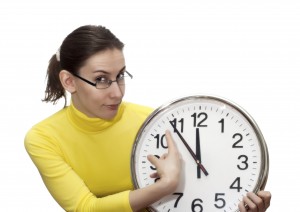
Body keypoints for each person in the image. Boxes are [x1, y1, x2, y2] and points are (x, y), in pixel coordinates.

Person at [24, 25, 271, 212]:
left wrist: (235, 207)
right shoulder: (43, 138)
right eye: (101, 79)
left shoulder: (154, 121)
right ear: (69, 81)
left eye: (120, 75)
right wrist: (163, 186)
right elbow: (84, 207)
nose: (117, 92)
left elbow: (194, 199)